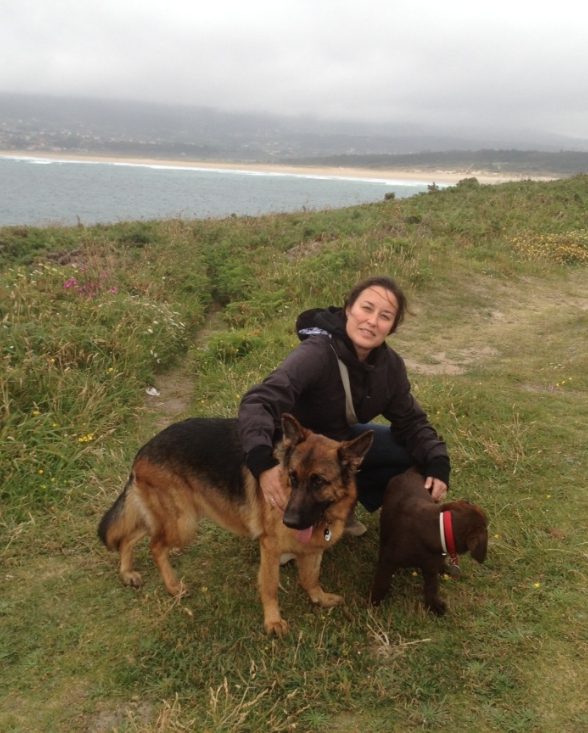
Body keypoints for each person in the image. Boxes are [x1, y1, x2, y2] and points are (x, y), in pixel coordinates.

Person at [237, 275, 449, 535]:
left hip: (339, 443)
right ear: (349, 308)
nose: (372, 321)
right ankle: (285, 520)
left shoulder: (390, 367)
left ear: (391, 327)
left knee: (408, 454)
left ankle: (339, 506)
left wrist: (438, 461)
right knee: (291, 476)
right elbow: (259, 400)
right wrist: (262, 463)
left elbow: (412, 421)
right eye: (366, 308)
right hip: (297, 446)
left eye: (385, 316)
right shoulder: (316, 353)